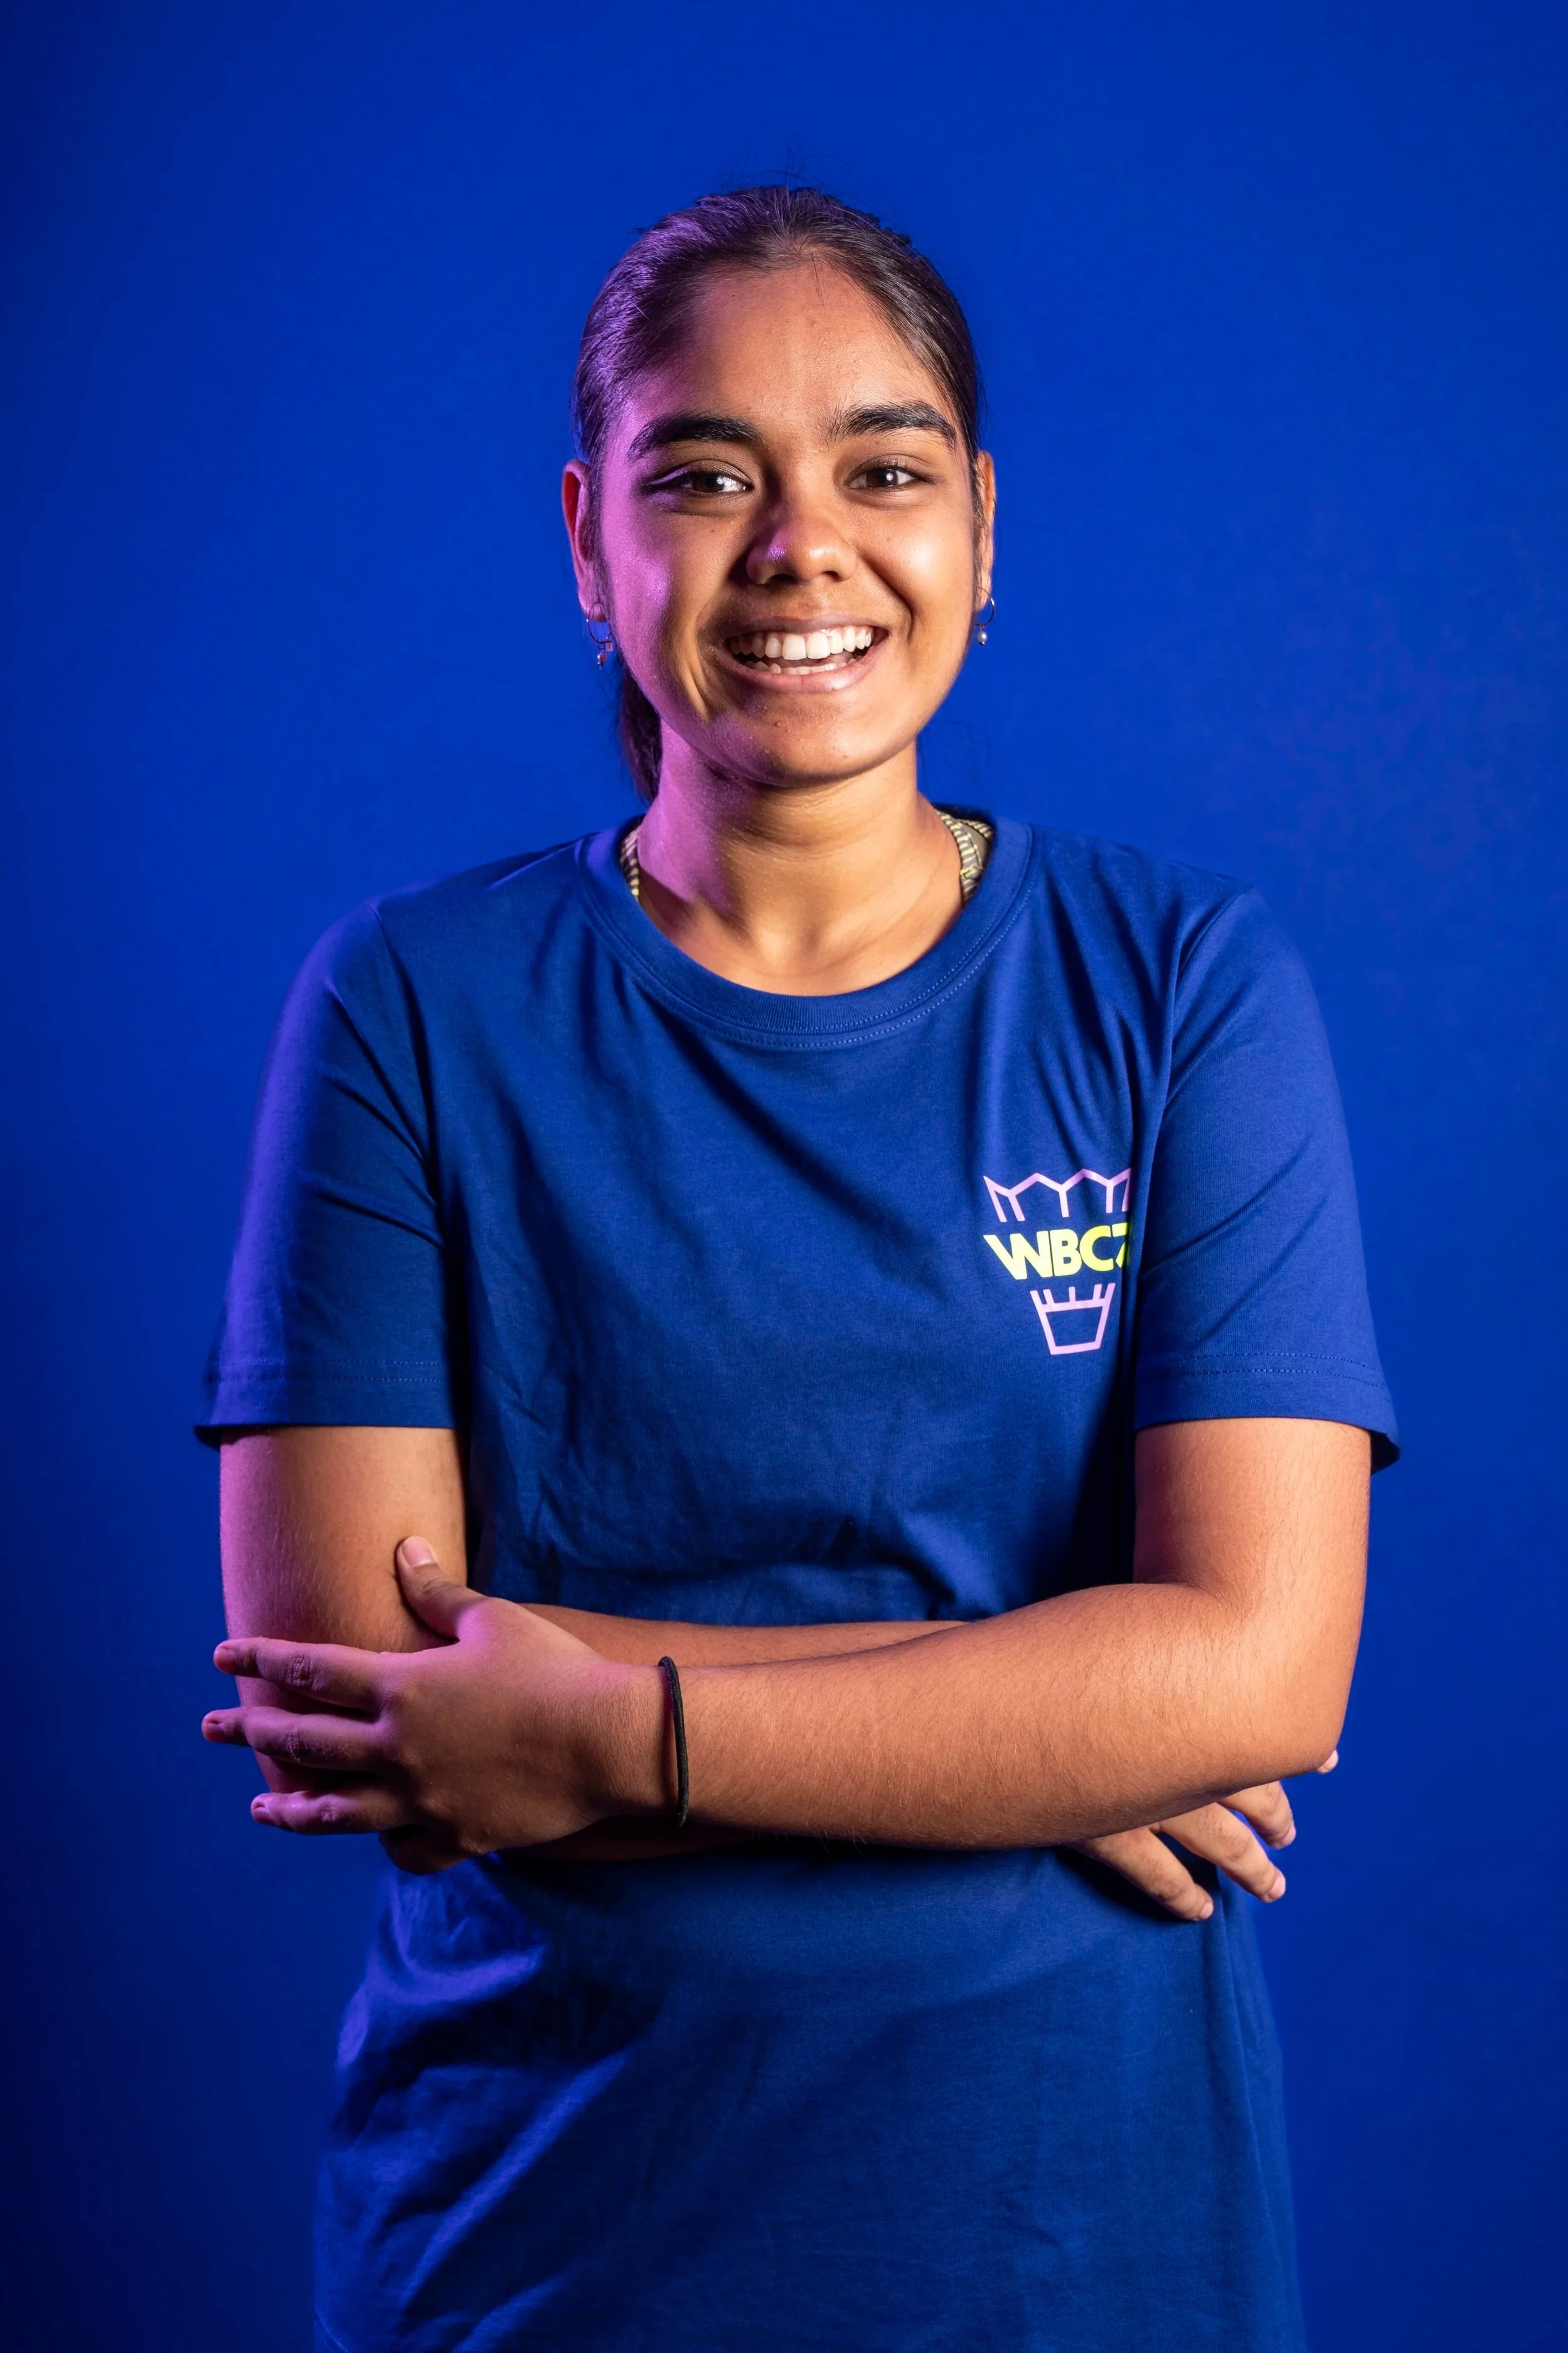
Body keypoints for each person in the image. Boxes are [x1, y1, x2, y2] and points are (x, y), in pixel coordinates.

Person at [200, 186, 1396, 2352]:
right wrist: (1051, 1717)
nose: (802, 545)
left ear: (983, 529)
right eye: (704, 474)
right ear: (592, 541)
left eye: (883, 467)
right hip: (539, 2248)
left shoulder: (1186, 986)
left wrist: (598, 1728)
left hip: (1090, 2243)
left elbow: (1259, 1677)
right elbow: (369, 1708)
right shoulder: (407, 1005)